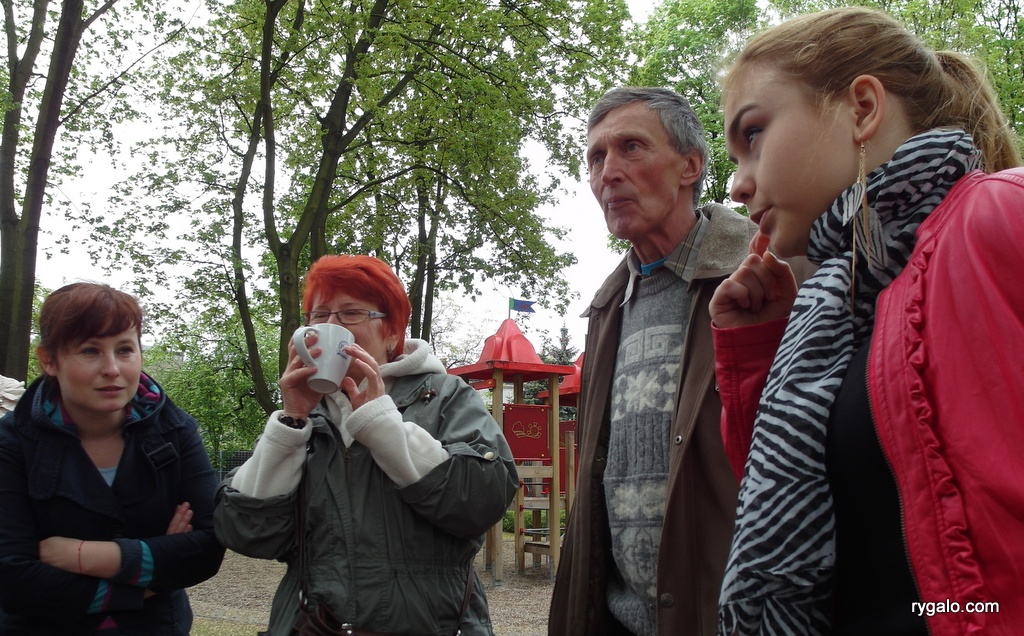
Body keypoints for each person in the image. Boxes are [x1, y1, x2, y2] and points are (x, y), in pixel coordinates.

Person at [712, 6, 1024, 635]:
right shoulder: (839, 302)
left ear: (862, 108)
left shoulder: (997, 216)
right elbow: (811, 529)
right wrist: (762, 353)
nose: (738, 185)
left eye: (754, 134)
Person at [214, 254, 518, 636]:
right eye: (319, 315)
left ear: (392, 333)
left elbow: (484, 499)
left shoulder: (444, 395)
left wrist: (381, 423)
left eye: (351, 313)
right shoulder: (305, 415)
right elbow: (246, 533)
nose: (330, 325)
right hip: (311, 626)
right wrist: (291, 420)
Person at [548, 87, 759, 636]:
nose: (608, 173)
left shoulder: (762, 274)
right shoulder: (607, 307)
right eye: (596, 158)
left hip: (728, 618)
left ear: (691, 166)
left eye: (631, 147)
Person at [0, 282, 225, 634]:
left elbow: (207, 548)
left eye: (124, 350)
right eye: (90, 351)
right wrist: (149, 577)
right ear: (49, 360)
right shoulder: (12, 443)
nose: (112, 368)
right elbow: (13, 577)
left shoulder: (175, 432)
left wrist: (82, 555)